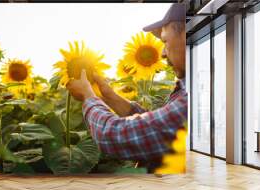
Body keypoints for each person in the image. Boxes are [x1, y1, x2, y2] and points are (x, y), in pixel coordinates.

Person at [66, 4, 187, 171]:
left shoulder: (193, 100)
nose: (163, 53)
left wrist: (88, 96)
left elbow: (114, 136)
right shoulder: (188, 90)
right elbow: (155, 128)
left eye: (165, 41)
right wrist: (109, 96)